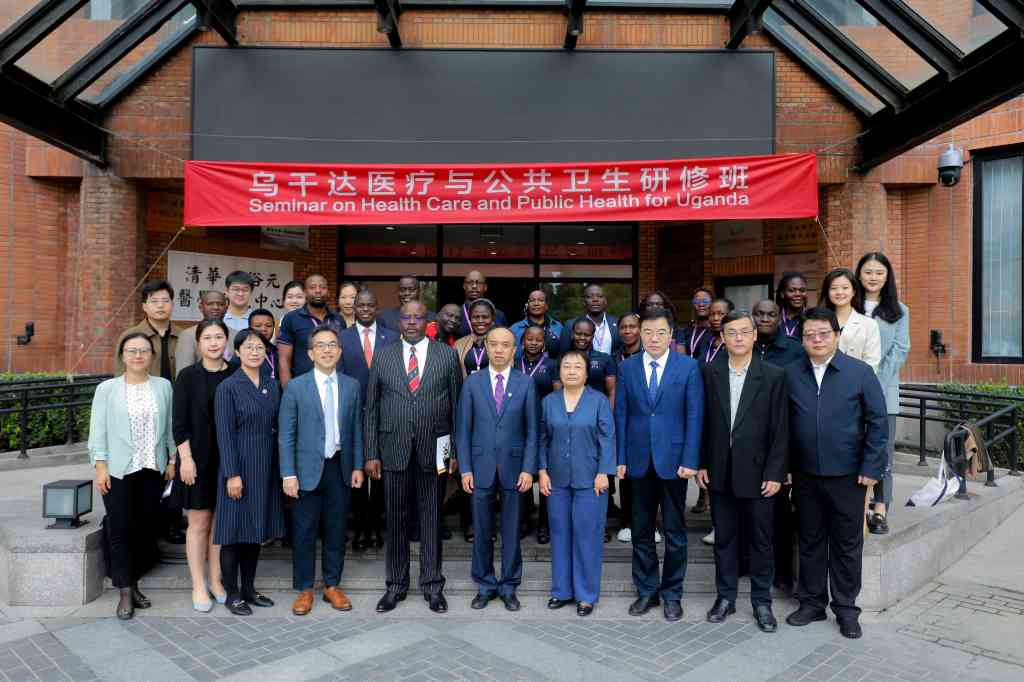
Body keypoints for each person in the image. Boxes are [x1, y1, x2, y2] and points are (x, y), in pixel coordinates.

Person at [784, 307, 887, 640]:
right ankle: (812, 603)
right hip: (805, 475)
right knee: (810, 541)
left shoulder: (859, 373)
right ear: (802, 339)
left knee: (846, 544)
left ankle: (846, 609)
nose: (817, 340)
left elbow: (878, 423)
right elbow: (782, 425)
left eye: (823, 333)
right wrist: (785, 467)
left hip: (849, 475)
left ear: (837, 336)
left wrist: (872, 467)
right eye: (809, 335)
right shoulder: (791, 373)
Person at [364, 301, 462, 614]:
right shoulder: (383, 356)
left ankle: (433, 586)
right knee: (396, 520)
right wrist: (371, 452)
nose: (411, 322)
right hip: (393, 448)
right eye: (406, 317)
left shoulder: (446, 355)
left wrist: (454, 451)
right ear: (398, 322)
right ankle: (396, 585)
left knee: (432, 519)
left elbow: (457, 407)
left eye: (418, 317)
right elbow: (372, 408)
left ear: (427, 321)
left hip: (435, 449)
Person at [697, 310, 788, 632]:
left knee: (761, 541)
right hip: (720, 472)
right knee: (725, 539)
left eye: (744, 332)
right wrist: (702, 462)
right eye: (731, 332)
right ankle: (726, 597)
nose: (738, 338)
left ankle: (762, 602)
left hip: (760, 475)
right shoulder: (710, 373)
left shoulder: (774, 375)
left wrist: (776, 472)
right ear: (722, 338)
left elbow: (781, 428)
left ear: (754, 335)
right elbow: (703, 422)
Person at [616, 307, 704, 622]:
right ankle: (647, 591)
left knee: (675, 533)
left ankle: (672, 594)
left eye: (661, 333)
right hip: (638, 462)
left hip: (674, 463)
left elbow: (695, 416)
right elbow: (621, 415)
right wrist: (620, 459)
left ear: (671, 335)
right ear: (640, 334)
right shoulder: (627, 367)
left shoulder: (688, 367)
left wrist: (691, 459)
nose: (654, 338)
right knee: (641, 531)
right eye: (648, 332)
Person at [279, 326, 365, 616]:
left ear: (340, 352)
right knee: (304, 531)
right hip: (305, 470)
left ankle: (331, 585)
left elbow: (356, 430)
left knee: (336, 529)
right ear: (310, 353)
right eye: (321, 345)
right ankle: (305, 588)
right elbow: (286, 434)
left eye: (332, 345)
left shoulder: (352, 386)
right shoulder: (296, 387)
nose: (327, 350)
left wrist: (357, 465)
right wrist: (288, 474)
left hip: (340, 467)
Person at [89, 332, 176, 620]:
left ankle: (135, 583)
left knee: (144, 529)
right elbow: (98, 431)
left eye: (144, 351)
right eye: (132, 351)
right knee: (121, 529)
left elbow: (171, 427)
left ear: (152, 355)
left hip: (153, 468)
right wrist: (100, 467)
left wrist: (172, 459)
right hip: (118, 471)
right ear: (122, 356)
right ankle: (125, 591)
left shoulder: (163, 386)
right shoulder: (107, 389)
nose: (138, 355)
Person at [457, 327, 538, 612]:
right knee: (481, 529)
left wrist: (528, 469)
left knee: (512, 530)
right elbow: (462, 431)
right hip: (480, 468)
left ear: (514, 350)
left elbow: (533, 431)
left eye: (505, 345)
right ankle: (485, 584)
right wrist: (465, 469)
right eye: (494, 344)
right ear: (487, 348)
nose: (499, 349)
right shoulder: (472, 383)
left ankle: (509, 585)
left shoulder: (526, 383)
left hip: (515, 469)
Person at [539, 350, 616, 617]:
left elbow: (607, 437)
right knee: (560, 535)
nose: (571, 371)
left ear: (586, 373)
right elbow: (542, 439)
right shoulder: (549, 402)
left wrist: (604, 472)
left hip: (590, 479)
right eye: (566, 366)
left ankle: (586, 595)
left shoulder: (598, 401)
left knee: (587, 537)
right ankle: (561, 591)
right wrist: (542, 471)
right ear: (559, 372)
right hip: (557, 479)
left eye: (577, 367)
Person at [214, 329, 284, 616]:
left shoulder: (272, 384)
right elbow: (224, 434)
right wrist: (232, 474)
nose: (255, 352)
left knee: (255, 531)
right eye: (249, 347)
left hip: (265, 467)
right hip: (238, 468)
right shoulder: (228, 387)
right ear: (237, 352)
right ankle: (232, 593)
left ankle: (249, 589)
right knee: (232, 534)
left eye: (260, 348)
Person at [173, 320, 235, 612]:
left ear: (226, 341)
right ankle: (198, 584)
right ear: (198, 343)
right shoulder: (187, 376)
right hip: (196, 460)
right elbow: (179, 423)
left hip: (228, 460)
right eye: (207, 338)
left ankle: (216, 580)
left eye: (219, 337)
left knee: (220, 524)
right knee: (198, 523)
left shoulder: (236, 374)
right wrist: (185, 459)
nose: (213, 343)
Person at [751, 298, 804, 592]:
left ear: (779, 317)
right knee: (749, 512)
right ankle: (749, 565)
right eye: (759, 314)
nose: (765, 319)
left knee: (780, 514)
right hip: (747, 443)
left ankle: (782, 574)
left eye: (770, 314)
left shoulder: (794, 350)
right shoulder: (744, 347)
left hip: (779, 441)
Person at [340, 288, 398, 550]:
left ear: (377, 308)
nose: (365, 309)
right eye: (360, 305)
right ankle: (361, 527)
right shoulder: (342, 337)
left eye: (369, 305)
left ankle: (376, 526)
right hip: (354, 414)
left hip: (385, 415)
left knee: (379, 474)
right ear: (354, 308)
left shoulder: (392, 337)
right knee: (358, 471)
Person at [857, 252, 910, 535]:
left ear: (887, 276)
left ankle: (880, 507)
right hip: (849, 393)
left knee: (882, 453)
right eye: (868, 272)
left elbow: (900, 349)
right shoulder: (849, 305)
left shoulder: (899, 310)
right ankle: (858, 505)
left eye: (879, 272)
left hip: (884, 392)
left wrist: (874, 383)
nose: (873, 277)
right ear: (859, 274)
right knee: (853, 449)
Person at [516, 325, 559, 543]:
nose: (533, 343)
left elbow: (558, 395)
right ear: (522, 341)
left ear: (544, 342)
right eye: (529, 339)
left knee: (545, 474)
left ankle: (544, 525)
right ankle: (523, 521)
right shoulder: (514, 363)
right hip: (519, 425)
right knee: (522, 473)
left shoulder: (552, 365)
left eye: (538, 339)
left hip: (544, 424)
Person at [277, 274, 343, 387]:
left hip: (334, 384)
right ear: (305, 292)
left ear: (328, 291)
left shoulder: (338, 318)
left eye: (322, 287)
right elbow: (284, 359)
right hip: (303, 387)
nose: (318, 291)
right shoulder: (291, 318)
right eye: (312, 287)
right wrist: (288, 391)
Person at [613, 312, 643, 543]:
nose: (627, 331)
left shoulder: (648, 355)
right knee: (624, 472)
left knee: (646, 476)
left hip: (642, 421)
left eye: (632, 326)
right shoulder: (613, 357)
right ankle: (626, 522)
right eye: (623, 327)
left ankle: (647, 523)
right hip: (619, 419)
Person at [115, 280, 179, 382]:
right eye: (154, 301)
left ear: (172, 305)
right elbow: (120, 373)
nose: (160, 305)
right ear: (144, 307)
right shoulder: (130, 336)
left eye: (165, 301)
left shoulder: (184, 336)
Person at [822, 268, 881, 372]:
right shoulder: (818, 322)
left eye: (845, 288)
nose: (839, 292)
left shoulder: (869, 324)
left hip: (857, 380)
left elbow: (872, 362)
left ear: (853, 291)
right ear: (827, 292)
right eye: (834, 288)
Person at [175, 291, 227, 376]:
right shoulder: (188, 335)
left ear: (226, 308)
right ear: (201, 307)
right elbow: (184, 373)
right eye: (210, 304)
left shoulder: (235, 334)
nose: (216, 307)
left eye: (220, 304)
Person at [558, 284, 620, 356]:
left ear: (605, 301)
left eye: (599, 296)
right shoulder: (571, 324)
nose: (595, 299)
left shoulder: (617, 323)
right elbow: (563, 354)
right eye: (590, 297)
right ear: (584, 302)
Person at [752, 300, 805, 368]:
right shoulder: (743, 344)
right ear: (752, 317)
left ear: (779, 319)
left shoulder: (796, 348)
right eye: (759, 314)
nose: (765, 319)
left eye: (771, 315)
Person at [510, 289, 563, 354]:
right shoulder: (515, 329)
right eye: (532, 300)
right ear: (528, 305)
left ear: (546, 305)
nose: (536, 303)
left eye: (540, 300)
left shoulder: (558, 327)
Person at [455, 298, 497, 379]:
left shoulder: (502, 342)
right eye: (476, 317)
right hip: (467, 387)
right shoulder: (459, 344)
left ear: (492, 319)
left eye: (485, 317)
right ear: (470, 319)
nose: (480, 320)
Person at [457, 271, 507, 337]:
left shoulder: (499, 315)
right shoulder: (456, 314)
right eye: (470, 282)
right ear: (464, 286)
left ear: (485, 287)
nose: (474, 286)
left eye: (479, 283)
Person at [222, 271, 255, 357]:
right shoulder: (219, 319)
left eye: (245, 290)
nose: (240, 293)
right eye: (236, 289)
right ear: (227, 291)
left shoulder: (257, 320)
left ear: (251, 292)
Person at [678, 287, 714, 358]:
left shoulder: (716, 332)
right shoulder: (686, 330)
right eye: (697, 301)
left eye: (705, 301)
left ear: (712, 303)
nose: (701, 304)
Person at [775, 272, 809, 338]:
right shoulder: (774, 318)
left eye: (802, 290)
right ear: (782, 294)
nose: (798, 294)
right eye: (791, 290)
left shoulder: (811, 317)